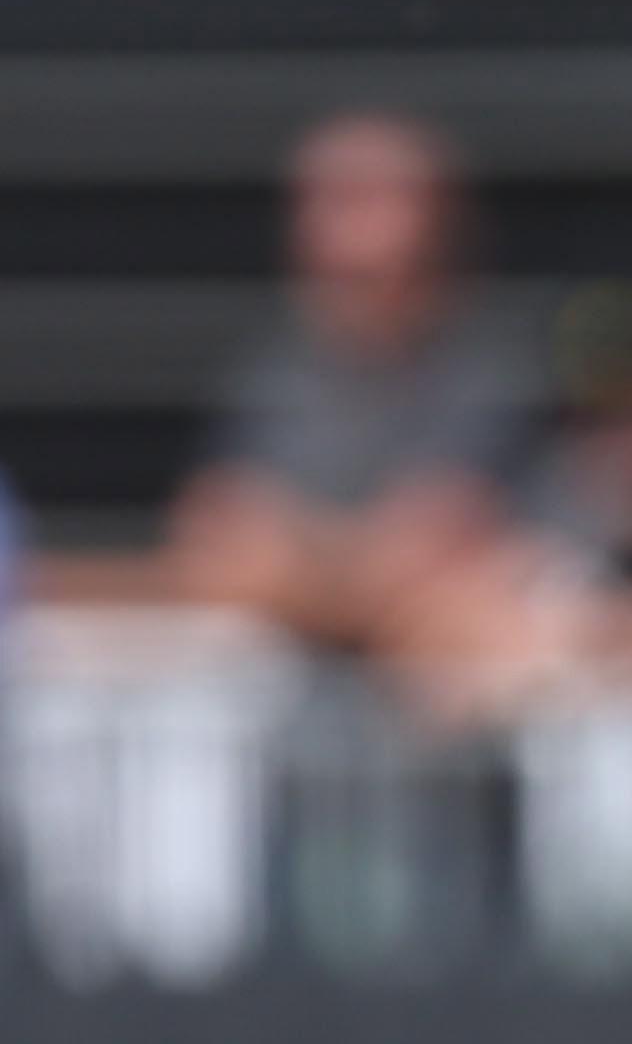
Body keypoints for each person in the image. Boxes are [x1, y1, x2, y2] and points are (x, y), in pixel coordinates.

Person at [171, 112, 540, 678]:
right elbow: (214, 553)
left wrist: (297, 568)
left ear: (436, 220)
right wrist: (364, 578)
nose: (320, 224)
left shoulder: (490, 372)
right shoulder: (272, 370)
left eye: (356, 198)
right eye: (314, 200)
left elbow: (436, 554)